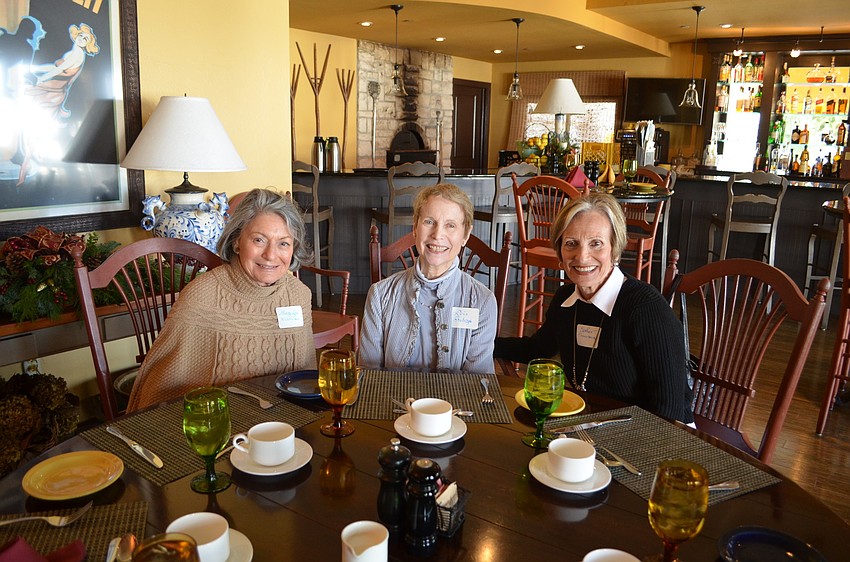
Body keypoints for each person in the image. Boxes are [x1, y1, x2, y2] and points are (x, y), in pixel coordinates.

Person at [494, 193, 693, 423]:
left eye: (596, 243)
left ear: (614, 248)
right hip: (591, 422)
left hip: (653, 434)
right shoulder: (566, 301)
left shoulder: (645, 309)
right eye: (571, 244)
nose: (582, 256)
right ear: (559, 252)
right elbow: (535, 349)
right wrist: (480, 343)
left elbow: (670, 411)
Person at [127, 188, 316, 411]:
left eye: (283, 243)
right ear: (236, 242)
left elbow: (307, 378)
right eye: (259, 240)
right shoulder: (202, 296)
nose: (271, 255)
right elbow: (163, 388)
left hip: (287, 424)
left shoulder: (299, 294)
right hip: (223, 426)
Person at [360, 183, 497, 373]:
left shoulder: (482, 301)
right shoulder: (379, 295)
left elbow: (477, 383)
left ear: (465, 235)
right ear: (415, 227)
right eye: (429, 222)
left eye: (450, 225)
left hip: (457, 401)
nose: (437, 234)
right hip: (392, 399)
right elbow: (370, 376)